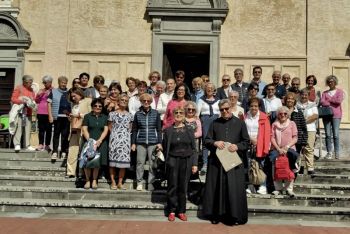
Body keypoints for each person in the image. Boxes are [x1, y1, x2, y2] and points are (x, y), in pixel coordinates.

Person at [202, 99, 250, 225]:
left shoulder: (240, 123)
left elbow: (246, 142)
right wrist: (215, 142)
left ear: (231, 108)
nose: (224, 111)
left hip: (233, 163)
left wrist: (238, 146)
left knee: (233, 190)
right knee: (217, 188)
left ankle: (234, 216)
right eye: (222, 109)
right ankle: (216, 215)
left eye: (226, 109)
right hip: (217, 163)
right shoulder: (214, 123)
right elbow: (207, 141)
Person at [163, 107, 198, 222]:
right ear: (173, 115)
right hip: (172, 160)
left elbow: (194, 148)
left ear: (184, 115)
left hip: (186, 161)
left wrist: (194, 164)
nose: (178, 114)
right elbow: (165, 147)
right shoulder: (168, 130)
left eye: (181, 113)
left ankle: (181, 211)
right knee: (172, 186)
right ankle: (172, 210)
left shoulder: (189, 129)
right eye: (176, 112)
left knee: (183, 187)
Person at [131, 93, 162, 191]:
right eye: (144, 101)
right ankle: (139, 182)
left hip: (153, 142)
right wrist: (133, 143)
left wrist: (159, 142)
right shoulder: (137, 114)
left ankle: (151, 183)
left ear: (151, 102)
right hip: (141, 142)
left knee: (152, 164)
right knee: (140, 162)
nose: (146, 102)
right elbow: (135, 129)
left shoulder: (156, 113)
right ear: (141, 102)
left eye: (148, 101)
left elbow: (159, 129)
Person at [269, 106, 299, 197]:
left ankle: (288, 189)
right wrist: (278, 148)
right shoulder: (274, 124)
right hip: (277, 149)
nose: (283, 115)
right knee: (276, 167)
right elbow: (272, 137)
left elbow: (295, 137)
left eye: (285, 113)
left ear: (288, 114)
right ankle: (277, 189)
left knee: (289, 168)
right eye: (280, 113)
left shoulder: (292, 123)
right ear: (278, 115)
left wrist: (287, 147)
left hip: (289, 149)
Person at [244, 97, 271, 195]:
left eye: (256, 106)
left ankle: (263, 186)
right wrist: (250, 139)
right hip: (248, 144)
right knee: (249, 165)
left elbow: (267, 133)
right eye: (251, 106)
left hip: (260, 144)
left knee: (261, 166)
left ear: (259, 107)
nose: (253, 108)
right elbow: (243, 130)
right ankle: (251, 186)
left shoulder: (264, 117)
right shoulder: (246, 116)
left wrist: (262, 144)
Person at [81, 98, 109, 189]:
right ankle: (87, 181)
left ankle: (94, 180)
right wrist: (90, 141)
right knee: (87, 162)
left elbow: (106, 130)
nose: (97, 107)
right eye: (95, 106)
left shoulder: (105, 117)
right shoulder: (87, 116)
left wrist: (99, 140)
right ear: (92, 107)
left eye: (100, 106)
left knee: (96, 163)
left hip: (100, 142)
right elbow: (84, 129)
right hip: (88, 141)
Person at [108, 94, 133, 189]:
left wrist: (124, 137)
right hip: (114, 140)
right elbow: (110, 127)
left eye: (126, 100)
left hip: (126, 141)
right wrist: (115, 136)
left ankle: (120, 182)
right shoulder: (112, 114)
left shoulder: (130, 115)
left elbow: (129, 128)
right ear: (118, 101)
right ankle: (113, 182)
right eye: (122, 100)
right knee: (112, 163)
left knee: (123, 163)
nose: (123, 101)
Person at [66, 87, 92, 178]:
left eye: (74, 96)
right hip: (74, 129)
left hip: (84, 130)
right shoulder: (73, 104)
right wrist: (70, 118)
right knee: (72, 150)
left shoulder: (88, 101)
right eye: (72, 97)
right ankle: (70, 172)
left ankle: (82, 173)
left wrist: (79, 115)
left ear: (79, 93)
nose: (73, 98)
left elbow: (91, 114)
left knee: (83, 151)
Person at [197, 82, 220, 175]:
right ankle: (205, 164)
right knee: (206, 142)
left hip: (216, 120)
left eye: (211, 88)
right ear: (205, 90)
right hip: (205, 120)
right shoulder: (201, 100)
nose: (209, 89)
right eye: (207, 88)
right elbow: (197, 114)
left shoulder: (218, 100)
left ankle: (216, 162)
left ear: (214, 90)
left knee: (216, 141)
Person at [320, 75, 344, 159]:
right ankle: (329, 152)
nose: (331, 83)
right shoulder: (325, 93)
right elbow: (322, 103)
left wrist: (328, 100)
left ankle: (337, 153)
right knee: (327, 134)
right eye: (329, 81)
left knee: (336, 135)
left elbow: (338, 101)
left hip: (336, 115)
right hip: (326, 115)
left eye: (332, 81)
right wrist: (331, 102)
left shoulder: (339, 91)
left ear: (335, 82)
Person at [11, 75, 36, 152]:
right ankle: (17, 144)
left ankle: (27, 145)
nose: (31, 84)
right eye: (29, 83)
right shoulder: (19, 88)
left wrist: (31, 102)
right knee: (19, 128)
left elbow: (33, 98)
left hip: (28, 112)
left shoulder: (31, 90)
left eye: (31, 82)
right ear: (24, 82)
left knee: (28, 129)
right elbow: (13, 99)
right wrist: (22, 101)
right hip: (20, 112)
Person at [47, 76, 71, 160]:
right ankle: (55, 152)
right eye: (62, 82)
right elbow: (49, 104)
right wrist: (50, 115)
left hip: (67, 117)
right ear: (59, 83)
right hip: (57, 116)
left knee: (65, 135)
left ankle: (64, 151)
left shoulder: (69, 92)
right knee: (56, 134)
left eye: (65, 83)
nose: (63, 84)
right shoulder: (53, 91)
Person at [297, 89, 318, 174]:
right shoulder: (296, 104)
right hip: (298, 129)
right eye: (302, 94)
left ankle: (310, 168)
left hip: (310, 129)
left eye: (306, 95)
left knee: (309, 148)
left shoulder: (312, 105)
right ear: (300, 95)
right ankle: (297, 168)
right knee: (298, 148)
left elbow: (315, 116)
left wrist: (303, 122)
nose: (304, 96)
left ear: (308, 96)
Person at [35, 75, 53, 151]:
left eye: (45, 82)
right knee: (41, 129)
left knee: (49, 130)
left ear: (50, 82)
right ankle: (40, 144)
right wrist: (38, 95)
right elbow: (36, 101)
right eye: (43, 82)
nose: (44, 84)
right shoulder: (41, 90)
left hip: (49, 112)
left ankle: (47, 145)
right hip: (40, 112)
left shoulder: (54, 90)